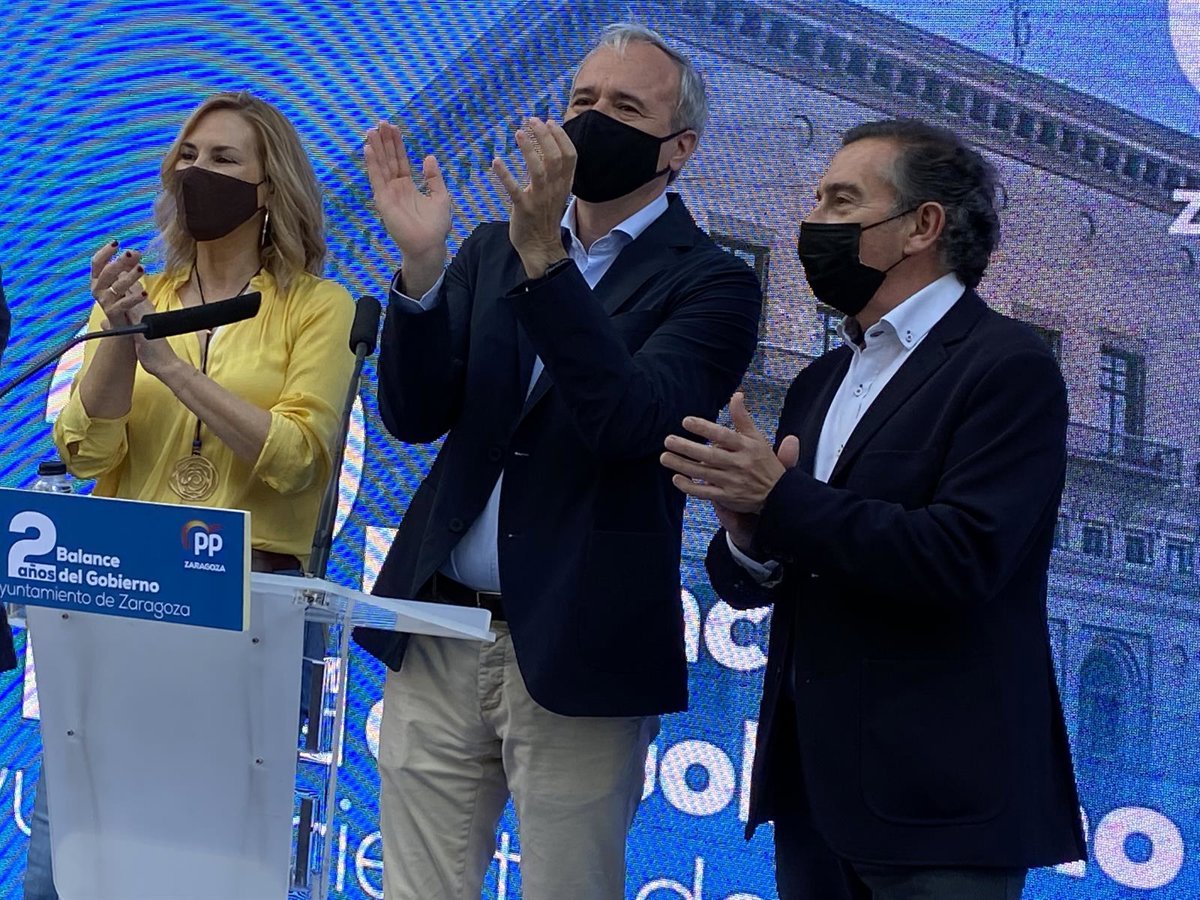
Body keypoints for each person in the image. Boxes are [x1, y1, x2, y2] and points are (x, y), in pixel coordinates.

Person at [352, 22, 762, 900]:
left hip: (582, 650)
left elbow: (630, 422)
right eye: (582, 100)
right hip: (442, 629)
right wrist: (421, 269)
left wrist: (545, 258)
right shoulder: (490, 248)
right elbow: (414, 415)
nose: (592, 118)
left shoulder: (714, 282)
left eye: (625, 107)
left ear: (680, 148)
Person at [661, 119, 1085, 900]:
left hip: (941, 807)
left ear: (923, 225)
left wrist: (781, 500)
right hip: (812, 797)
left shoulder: (1008, 366)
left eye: (841, 201)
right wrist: (750, 536)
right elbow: (770, 569)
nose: (814, 221)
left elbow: (965, 556)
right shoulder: (820, 381)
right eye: (817, 199)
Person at [25, 91, 355, 899]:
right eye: (188, 156)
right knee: (69, 863)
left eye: (223, 159)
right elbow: (87, 449)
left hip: (242, 620)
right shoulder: (146, 295)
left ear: (269, 188)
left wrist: (168, 365)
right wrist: (118, 330)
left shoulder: (319, 307)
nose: (196, 171)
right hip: (118, 608)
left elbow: (297, 461)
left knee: (201, 867)